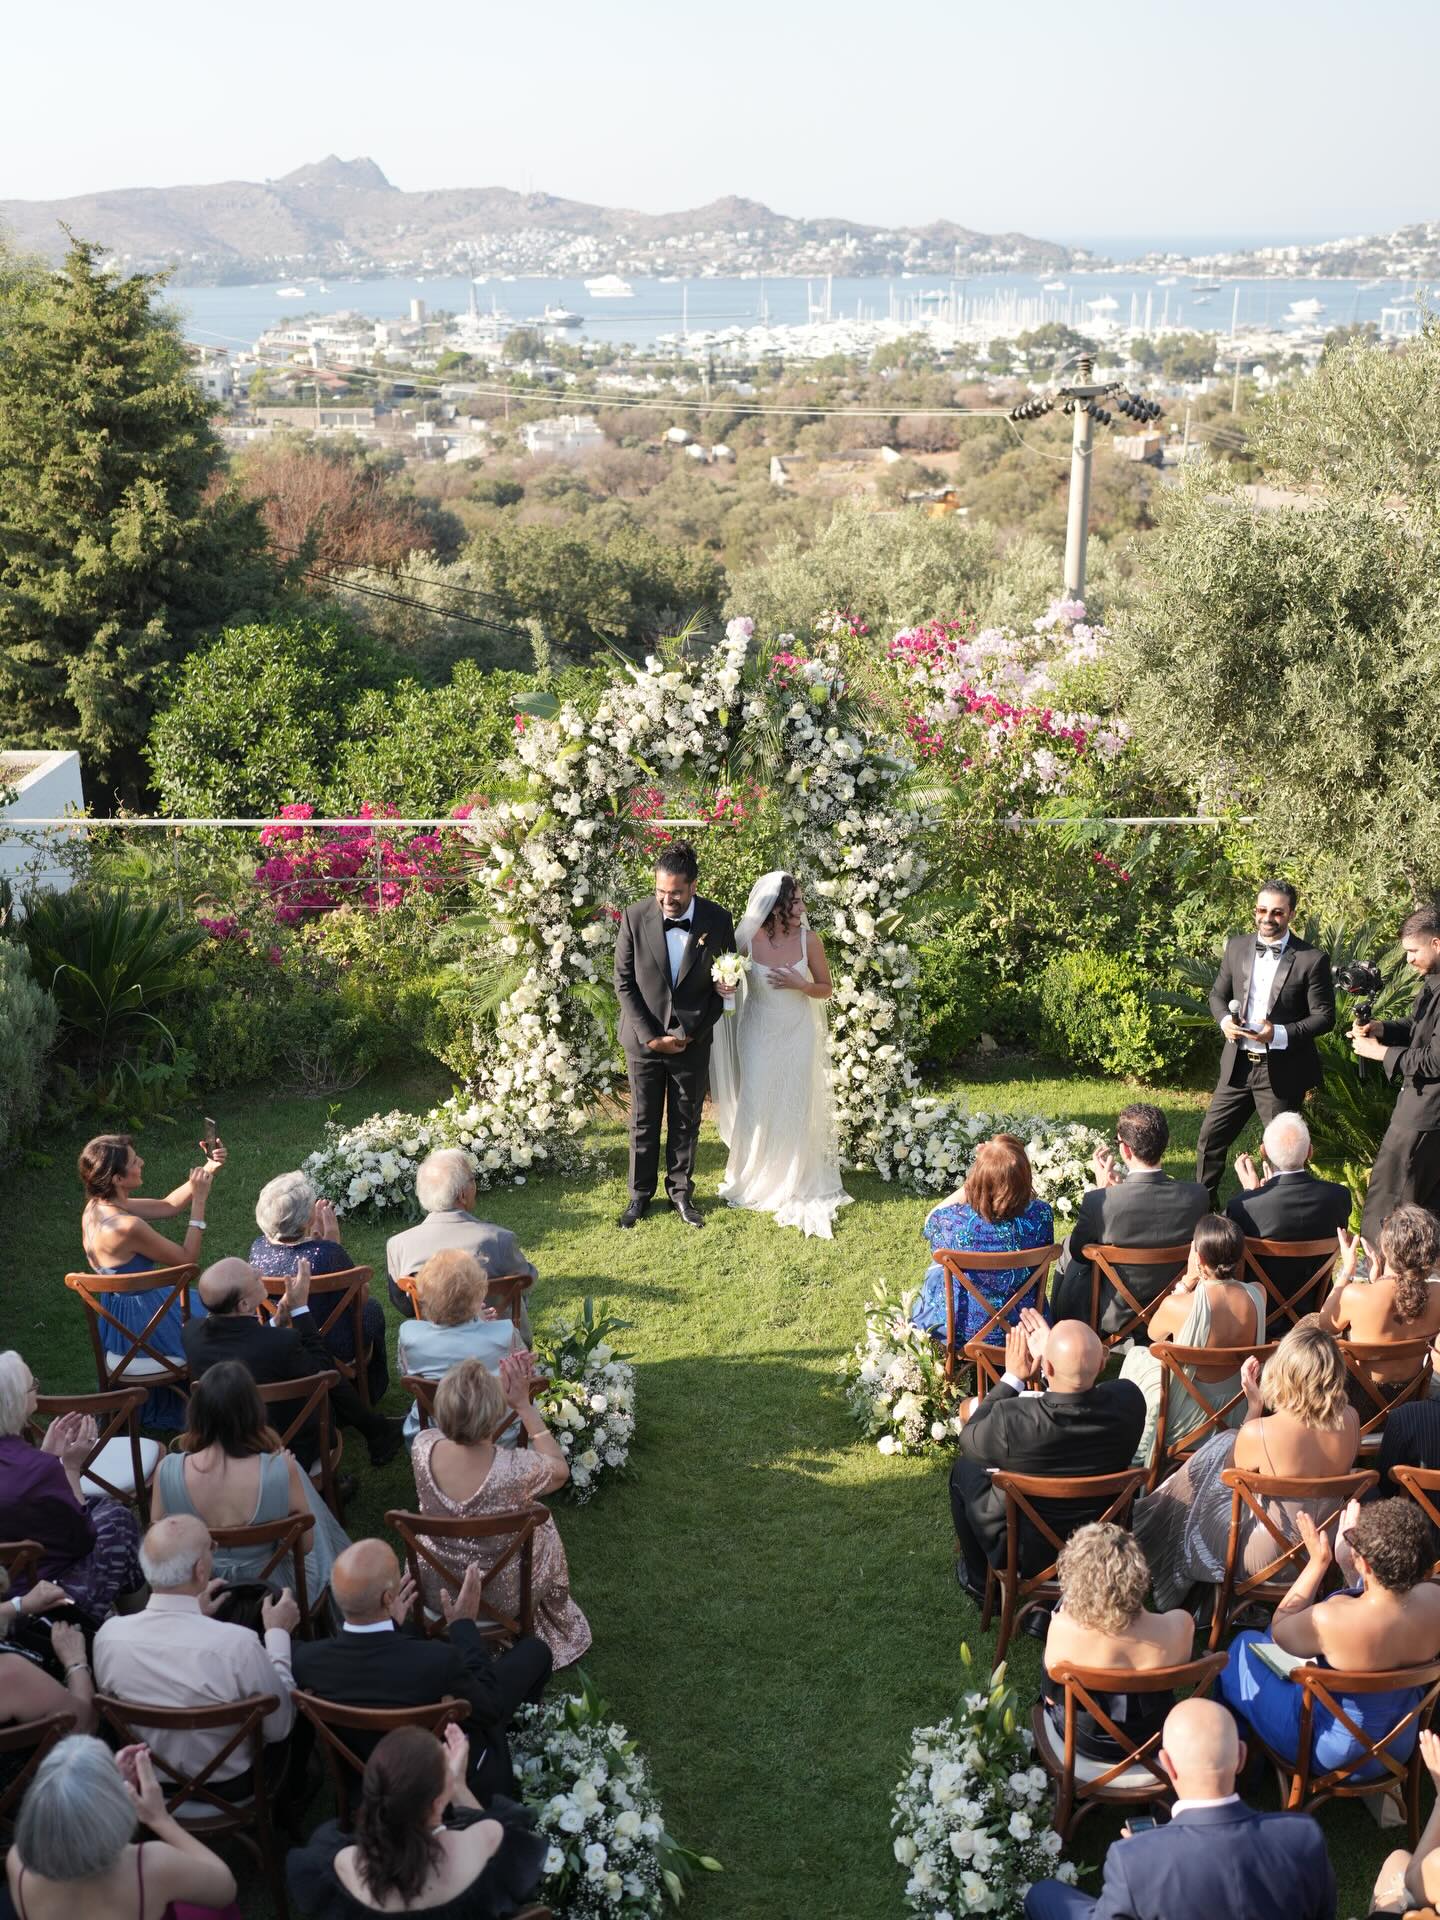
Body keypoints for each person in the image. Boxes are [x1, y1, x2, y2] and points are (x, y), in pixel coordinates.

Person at [1022, 1696, 1335, 1920]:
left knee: (1042, 1895)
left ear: (1167, 1764)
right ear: (1240, 1757)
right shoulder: (1303, 1837)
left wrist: (1147, 1852)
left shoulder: (1133, 1860)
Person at [292, 1539, 551, 1801]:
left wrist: (391, 1626)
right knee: (535, 1652)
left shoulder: (306, 1660)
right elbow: (490, 1707)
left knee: (411, 1631)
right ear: (388, 1598)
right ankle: (516, 1739)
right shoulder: (439, 1661)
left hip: (367, 1789)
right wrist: (464, 1627)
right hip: (448, 1791)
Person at [1134, 1319, 1361, 1612]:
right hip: (1324, 1545)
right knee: (1228, 1440)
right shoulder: (1352, 1419)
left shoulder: (1260, 1432)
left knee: (1219, 1450)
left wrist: (1254, 1407)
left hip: (1263, 1555)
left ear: (1285, 1371)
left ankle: (1159, 1540)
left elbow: (1224, 1482)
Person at [1220, 1496, 1440, 1783]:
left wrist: (1318, 1563)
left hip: (1332, 1753)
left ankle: (1241, 1765)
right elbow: (1386, 1611)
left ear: (1365, 1564)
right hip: (1399, 1746)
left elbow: (1279, 1631)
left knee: (1243, 1646)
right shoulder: (1435, 1600)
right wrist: (1351, 1568)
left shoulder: (1330, 1619)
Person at [948, 1312, 1146, 1605]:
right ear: (1103, 1363)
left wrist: (1014, 1378)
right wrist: (1058, 1363)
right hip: (1102, 1543)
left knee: (963, 1470)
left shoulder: (1012, 1421)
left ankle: (979, 1582)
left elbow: (969, 1438)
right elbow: (1085, 1391)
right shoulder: (1129, 1402)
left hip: (1026, 1551)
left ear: (1047, 1366)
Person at [93, 1515, 300, 1793]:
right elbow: (280, 1727)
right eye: (212, 1546)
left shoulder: (108, 1637)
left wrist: (194, 1614)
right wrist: (278, 1634)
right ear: (200, 1570)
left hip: (150, 1782)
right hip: (232, 1788)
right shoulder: (238, 1646)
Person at [410, 1355, 590, 1665]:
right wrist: (524, 1406)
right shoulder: (516, 1470)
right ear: (495, 1413)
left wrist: (477, 1404)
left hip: (436, 1588)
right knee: (543, 1520)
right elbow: (560, 1471)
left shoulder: (422, 1446)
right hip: (502, 1596)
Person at [707, 870, 852, 1239]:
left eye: (801, 901)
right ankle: (752, 1175)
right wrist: (725, 983)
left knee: (792, 1101)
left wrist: (802, 984)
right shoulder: (747, 938)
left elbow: (826, 989)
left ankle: (792, 1175)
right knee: (757, 1100)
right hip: (757, 1032)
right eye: (796, 902)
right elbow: (725, 974)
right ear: (775, 908)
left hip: (797, 1033)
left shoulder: (810, 940)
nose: (803, 908)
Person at [285, 1724, 546, 1920]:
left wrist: (449, 1783)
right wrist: (458, 1786)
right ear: (438, 1802)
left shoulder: (341, 1864)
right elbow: (504, 1839)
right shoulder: (485, 1840)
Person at [150, 1359, 350, 1602]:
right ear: (253, 1411)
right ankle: (345, 1577)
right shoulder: (281, 1469)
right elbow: (305, 1546)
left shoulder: (166, 1471)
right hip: (273, 1592)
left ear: (196, 1412)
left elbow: (159, 1548)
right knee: (298, 1482)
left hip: (200, 1591)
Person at [612, 839, 736, 1230]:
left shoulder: (718, 920)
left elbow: (725, 982)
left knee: (686, 1120)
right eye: (661, 892)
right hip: (643, 1040)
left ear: (693, 886)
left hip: (692, 1040)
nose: (667, 901)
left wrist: (690, 1033)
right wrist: (651, 1036)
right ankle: (639, 1196)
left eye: (676, 893)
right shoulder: (634, 917)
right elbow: (623, 982)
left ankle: (681, 1194)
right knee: (643, 1121)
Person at [182, 1256, 403, 1474]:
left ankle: (376, 1431)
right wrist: (300, 1309)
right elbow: (324, 1368)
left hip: (228, 1443)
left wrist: (275, 1322)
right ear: (244, 1304)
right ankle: (376, 1433)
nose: (259, 1272)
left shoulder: (191, 1333)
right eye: (253, 1276)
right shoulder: (281, 1344)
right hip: (287, 1447)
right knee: (325, 1372)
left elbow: (242, 1346)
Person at [1195, 880, 1336, 1208]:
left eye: (1277, 912)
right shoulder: (1236, 947)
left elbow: (1324, 1017)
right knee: (1209, 1139)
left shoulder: (1311, 959)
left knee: (1282, 1153)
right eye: (1262, 910)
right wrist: (1224, 1021)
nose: (1267, 918)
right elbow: (1217, 995)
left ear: (1291, 914)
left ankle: (1278, 1218)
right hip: (1237, 1066)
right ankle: (1203, 1211)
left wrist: (1279, 1034)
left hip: (1280, 1072)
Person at [4, 1735, 239, 1920]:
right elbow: (225, 1888)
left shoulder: (17, 1861)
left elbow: (73, 1821)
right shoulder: (152, 1866)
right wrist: (160, 1819)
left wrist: (109, 1786)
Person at [78, 1132, 224, 1427]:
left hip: (118, 1318)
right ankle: (221, 1401)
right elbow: (187, 1260)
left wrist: (209, 1168)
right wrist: (199, 1201)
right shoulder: (126, 1227)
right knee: (225, 1318)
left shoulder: (97, 1208)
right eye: (134, 1162)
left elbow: (168, 1205)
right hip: (143, 1325)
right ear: (118, 1178)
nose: (142, 1162)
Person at [0, 1350, 142, 1621]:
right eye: (33, 1386)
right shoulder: (38, 1469)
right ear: (16, 1403)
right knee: (119, 1520)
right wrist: (70, 1467)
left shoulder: (33, 1466)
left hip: (10, 1575)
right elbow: (83, 1540)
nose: (37, 1389)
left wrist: (47, 1458)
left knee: (99, 1504)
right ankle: (137, 1619)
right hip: (37, 1599)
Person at [1120, 1213, 1267, 1468]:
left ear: (1198, 1257)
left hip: (1186, 1422)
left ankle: (1133, 1446)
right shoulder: (1258, 1294)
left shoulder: (1179, 1305)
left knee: (1137, 1355)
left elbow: (1154, 1335)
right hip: (1239, 1413)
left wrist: (1186, 1284)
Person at [1038, 1522, 1193, 1763]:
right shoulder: (1179, 1627)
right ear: (1139, 1573)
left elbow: (1051, 1698)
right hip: (1152, 1739)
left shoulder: (1063, 1629)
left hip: (1084, 1741)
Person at [1050, 1105, 1208, 1332]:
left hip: (1110, 1318)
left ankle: (1061, 1327)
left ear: (1125, 1149)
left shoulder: (1099, 1202)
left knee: (1067, 1246)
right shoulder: (1197, 1196)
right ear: (1166, 1142)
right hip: (1175, 1309)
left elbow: (1078, 1252)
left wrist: (1102, 1192)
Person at [248, 1170, 388, 1402]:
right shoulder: (327, 1253)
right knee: (372, 1308)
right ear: (306, 1220)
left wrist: (317, 1243)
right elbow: (360, 1297)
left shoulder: (258, 1248)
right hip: (333, 1345)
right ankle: (368, 1390)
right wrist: (333, 1243)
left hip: (281, 1341)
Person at [908, 1134, 1056, 1346]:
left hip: (961, 1331)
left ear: (977, 1179)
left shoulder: (952, 1224)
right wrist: (1006, 1171)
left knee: (935, 1269)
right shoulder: (1042, 1216)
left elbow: (930, 1221)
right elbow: (1023, 1199)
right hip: (1025, 1328)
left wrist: (980, 1175)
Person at [1353, 904, 1440, 1242]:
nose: (1408, 959)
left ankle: (1378, 1264)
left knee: (1391, 1199)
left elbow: (1434, 1060)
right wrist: (1382, 1028)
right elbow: (1418, 1029)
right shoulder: (1432, 981)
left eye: (1413, 951)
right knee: (1425, 1203)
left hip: (1425, 1115)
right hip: (1421, 1109)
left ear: (1436, 944)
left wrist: (1380, 1053)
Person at [385, 1149, 536, 1332]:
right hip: (498, 1343)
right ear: (462, 1195)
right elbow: (526, 1283)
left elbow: (405, 1306)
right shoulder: (499, 1240)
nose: (475, 1184)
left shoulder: (398, 1245)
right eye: (473, 1179)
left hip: (435, 1344)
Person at [1225, 1111, 1352, 1322]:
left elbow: (1223, 1252)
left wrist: (1250, 1194)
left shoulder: (1242, 1206)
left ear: (1263, 1152)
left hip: (1260, 1318)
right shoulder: (1339, 1197)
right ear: (1310, 1151)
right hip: (1318, 1317)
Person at [396, 1250, 528, 1442]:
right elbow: (523, 1376)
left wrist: (476, 1321)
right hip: (498, 1435)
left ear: (424, 1296)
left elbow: (406, 1375)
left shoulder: (410, 1334)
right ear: (479, 1294)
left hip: (435, 1436)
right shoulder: (504, 1334)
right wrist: (479, 1324)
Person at [1320, 1206, 1440, 1406]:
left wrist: (1347, 1270)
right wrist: (1378, 1281)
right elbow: (1403, 1301)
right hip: (1410, 1401)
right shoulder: (1437, 1294)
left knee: (1308, 1323)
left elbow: (1325, 1324)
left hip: (1358, 1405)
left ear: (1385, 1247)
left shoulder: (1355, 1295)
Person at [1371, 1727, 1440, 1913]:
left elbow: (1413, 1882)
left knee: (1397, 1874)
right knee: (1398, 1859)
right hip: (1397, 1746)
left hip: (1359, 1752)